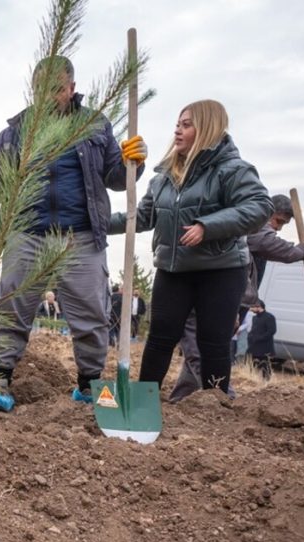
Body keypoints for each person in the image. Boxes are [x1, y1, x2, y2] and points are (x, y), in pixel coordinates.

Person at [0, 55, 148, 409]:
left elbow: (117, 179)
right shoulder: (15, 132)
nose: (48, 97)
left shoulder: (94, 125)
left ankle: (89, 384)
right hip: (26, 233)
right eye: (40, 90)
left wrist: (133, 161)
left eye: (56, 89)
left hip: (82, 235)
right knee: (13, 309)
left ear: (72, 88)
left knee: (91, 315)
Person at [110, 99, 271, 395]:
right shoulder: (165, 177)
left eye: (186, 125)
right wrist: (96, 223)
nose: (178, 131)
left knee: (213, 342)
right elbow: (142, 217)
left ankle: (215, 405)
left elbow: (260, 206)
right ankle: (144, 400)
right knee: (160, 337)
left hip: (220, 269)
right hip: (174, 268)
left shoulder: (232, 170)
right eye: (176, 125)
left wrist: (207, 226)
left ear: (207, 129)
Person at [169, 193, 304, 401]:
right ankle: (224, 399)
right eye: (278, 221)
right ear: (267, 213)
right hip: (212, 299)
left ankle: (181, 398)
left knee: (201, 351)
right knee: (203, 353)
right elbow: (265, 243)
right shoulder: (252, 226)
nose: (277, 228)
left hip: (229, 300)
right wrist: (299, 251)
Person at [246, 301, 277, 380]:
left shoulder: (269, 317)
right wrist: (250, 337)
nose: (251, 309)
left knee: (265, 367)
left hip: (265, 348)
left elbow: (271, 331)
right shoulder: (255, 318)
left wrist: (259, 338)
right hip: (254, 347)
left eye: (252, 307)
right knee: (252, 366)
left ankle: (266, 383)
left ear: (259, 307)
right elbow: (253, 330)